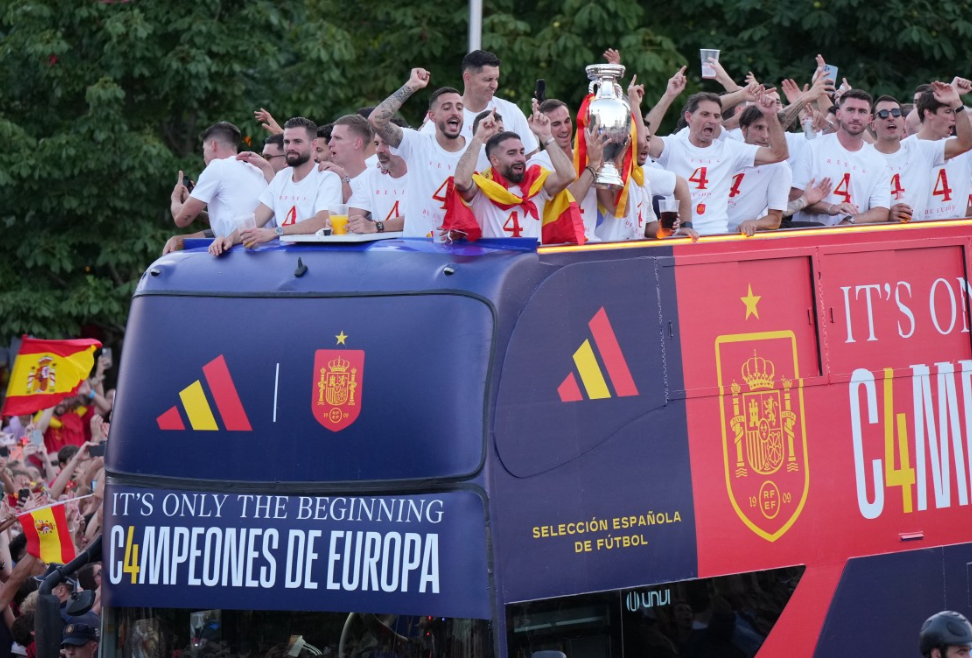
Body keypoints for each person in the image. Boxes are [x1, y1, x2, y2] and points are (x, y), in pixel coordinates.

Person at [646, 89, 789, 235]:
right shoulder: (672, 145)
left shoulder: (730, 149)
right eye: (705, 114)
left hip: (716, 236)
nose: (712, 120)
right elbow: (643, 138)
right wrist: (668, 95)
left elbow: (779, 154)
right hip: (678, 237)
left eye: (716, 116)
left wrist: (770, 115)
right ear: (689, 117)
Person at [210, 117, 342, 254]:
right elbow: (256, 218)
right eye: (286, 142)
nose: (290, 147)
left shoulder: (328, 178)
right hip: (283, 258)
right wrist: (229, 239)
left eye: (297, 141)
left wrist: (276, 232)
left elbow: (321, 221)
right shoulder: (281, 177)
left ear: (313, 145)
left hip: (316, 257)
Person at [453, 103, 574, 240]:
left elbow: (568, 175)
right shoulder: (482, 187)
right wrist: (478, 138)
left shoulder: (536, 183)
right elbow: (461, 181)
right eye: (512, 153)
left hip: (531, 261)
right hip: (493, 261)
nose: (520, 158)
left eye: (521, 152)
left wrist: (546, 136)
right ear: (495, 160)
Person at [370, 68, 467, 238]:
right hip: (418, 251)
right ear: (432, 116)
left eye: (459, 108)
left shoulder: (477, 151)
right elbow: (377, 120)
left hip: (462, 252)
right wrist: (412, 85)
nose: (455, 112)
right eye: (447, 107)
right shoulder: (417, 144)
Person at [790, 89, 891, 225]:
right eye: (850, 110)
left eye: (862, 111)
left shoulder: (878, 161)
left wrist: (850, 220)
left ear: (870, 118)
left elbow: (881, 211)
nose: (856, 117)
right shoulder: (813, 147)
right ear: (838, 114)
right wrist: (830, 208)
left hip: (852, 240)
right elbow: (794, 197)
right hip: (810, 236)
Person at [871, 88, 971, 223]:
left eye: (896, 113)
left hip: (931, 231)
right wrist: (886, 214)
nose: (890, 117)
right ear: (872, 124)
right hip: (883, 235)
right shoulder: (865, 156)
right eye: (883, 114)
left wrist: (956, 102)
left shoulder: (921, 149)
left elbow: (965, 143)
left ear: (903, 120)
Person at [420, 50, 538, 156]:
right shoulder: (444, 114)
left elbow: (532, 157)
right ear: (467, 78)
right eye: (488, 80)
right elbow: (420, 150)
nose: (494, 85)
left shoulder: (511, 111)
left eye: (496, 79)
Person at [169, 122, 267, 237]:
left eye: (204, 149)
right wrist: (194, 202)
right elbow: (231, 220)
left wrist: (175, 197)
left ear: (213, 145)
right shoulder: (256, 169)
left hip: (240, 248)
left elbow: (181, 219)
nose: (203, 156)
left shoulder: (217, 167)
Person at [535, 98, 606, 241]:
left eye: (567, 121)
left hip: (592, 244)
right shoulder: (538, 163)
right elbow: (567, 205)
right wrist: (592, 165)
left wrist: (610, 162)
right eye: (556, 124)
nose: (564, 128)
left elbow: (615, 207)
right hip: (561, 247)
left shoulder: (587, 156)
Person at [727, 105, 793, 235]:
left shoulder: (779, 167)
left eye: (769, 129)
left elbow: (774, 219)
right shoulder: (727, 150)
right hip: (707, 231)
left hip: (740, 237)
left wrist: (753, 223)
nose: (765, 136)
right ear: (744, 130)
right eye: (759, 128)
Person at [912, 78, 972, 221]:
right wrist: (951, 91)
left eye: (954, 112)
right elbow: (910, 122)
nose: (954, 118)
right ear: (929, 114)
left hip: (957, 229)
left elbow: (965, 142)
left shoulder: (960, 146)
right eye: (948, 112)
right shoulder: (909, 147)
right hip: (921, 228)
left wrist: (954, 98)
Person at [347, 121, 409, 234]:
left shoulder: (422, 174)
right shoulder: (371, 176)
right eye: (376, 144)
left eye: (386, 143)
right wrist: (340, 222)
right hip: (379, 248)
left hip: (416, 247)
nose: (379, 150)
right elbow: (354, 214)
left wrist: (377, 226)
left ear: (404, 145)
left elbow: (419, 217)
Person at [324, 114, 373, 203]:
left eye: (338, 138)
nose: (330, 144)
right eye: (331, 137)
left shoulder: (373, 180)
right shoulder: (328, 177)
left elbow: (350, 214)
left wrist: (344, 180)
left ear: (357, 143)